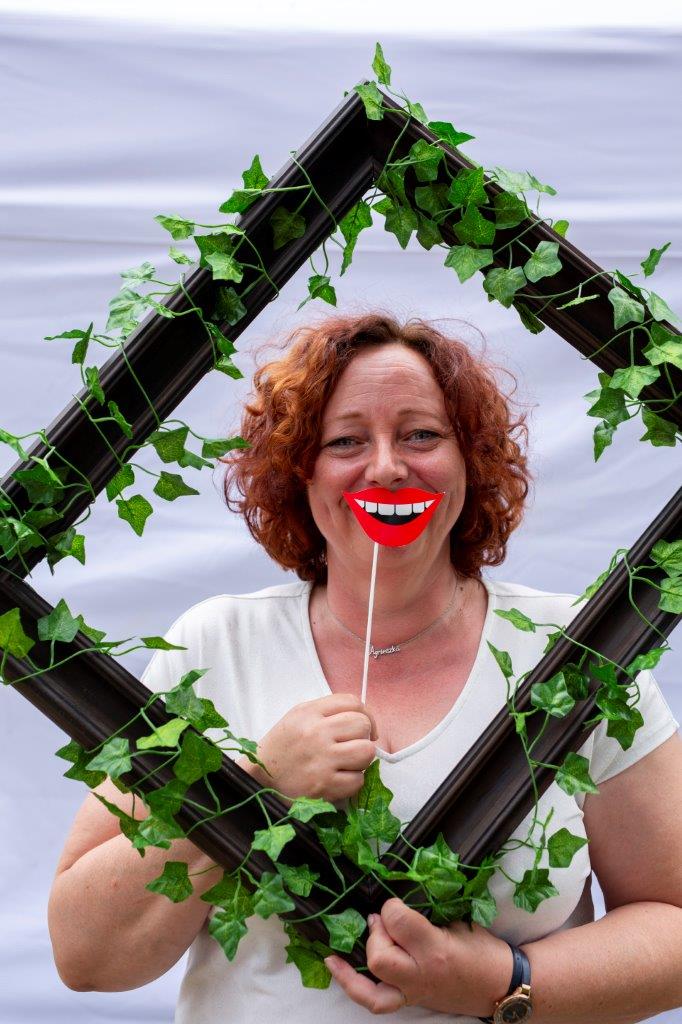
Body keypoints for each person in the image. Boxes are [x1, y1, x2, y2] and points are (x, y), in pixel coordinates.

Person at [47, 312, 682, 1022]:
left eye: (421, 435)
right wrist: (255, 784)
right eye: (346, 441)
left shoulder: (578, 650)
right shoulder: (213, 646)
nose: (385, 466)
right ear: (300, 472)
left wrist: (499, 980)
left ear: (470, 460)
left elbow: (674, 923)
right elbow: (85, 957)